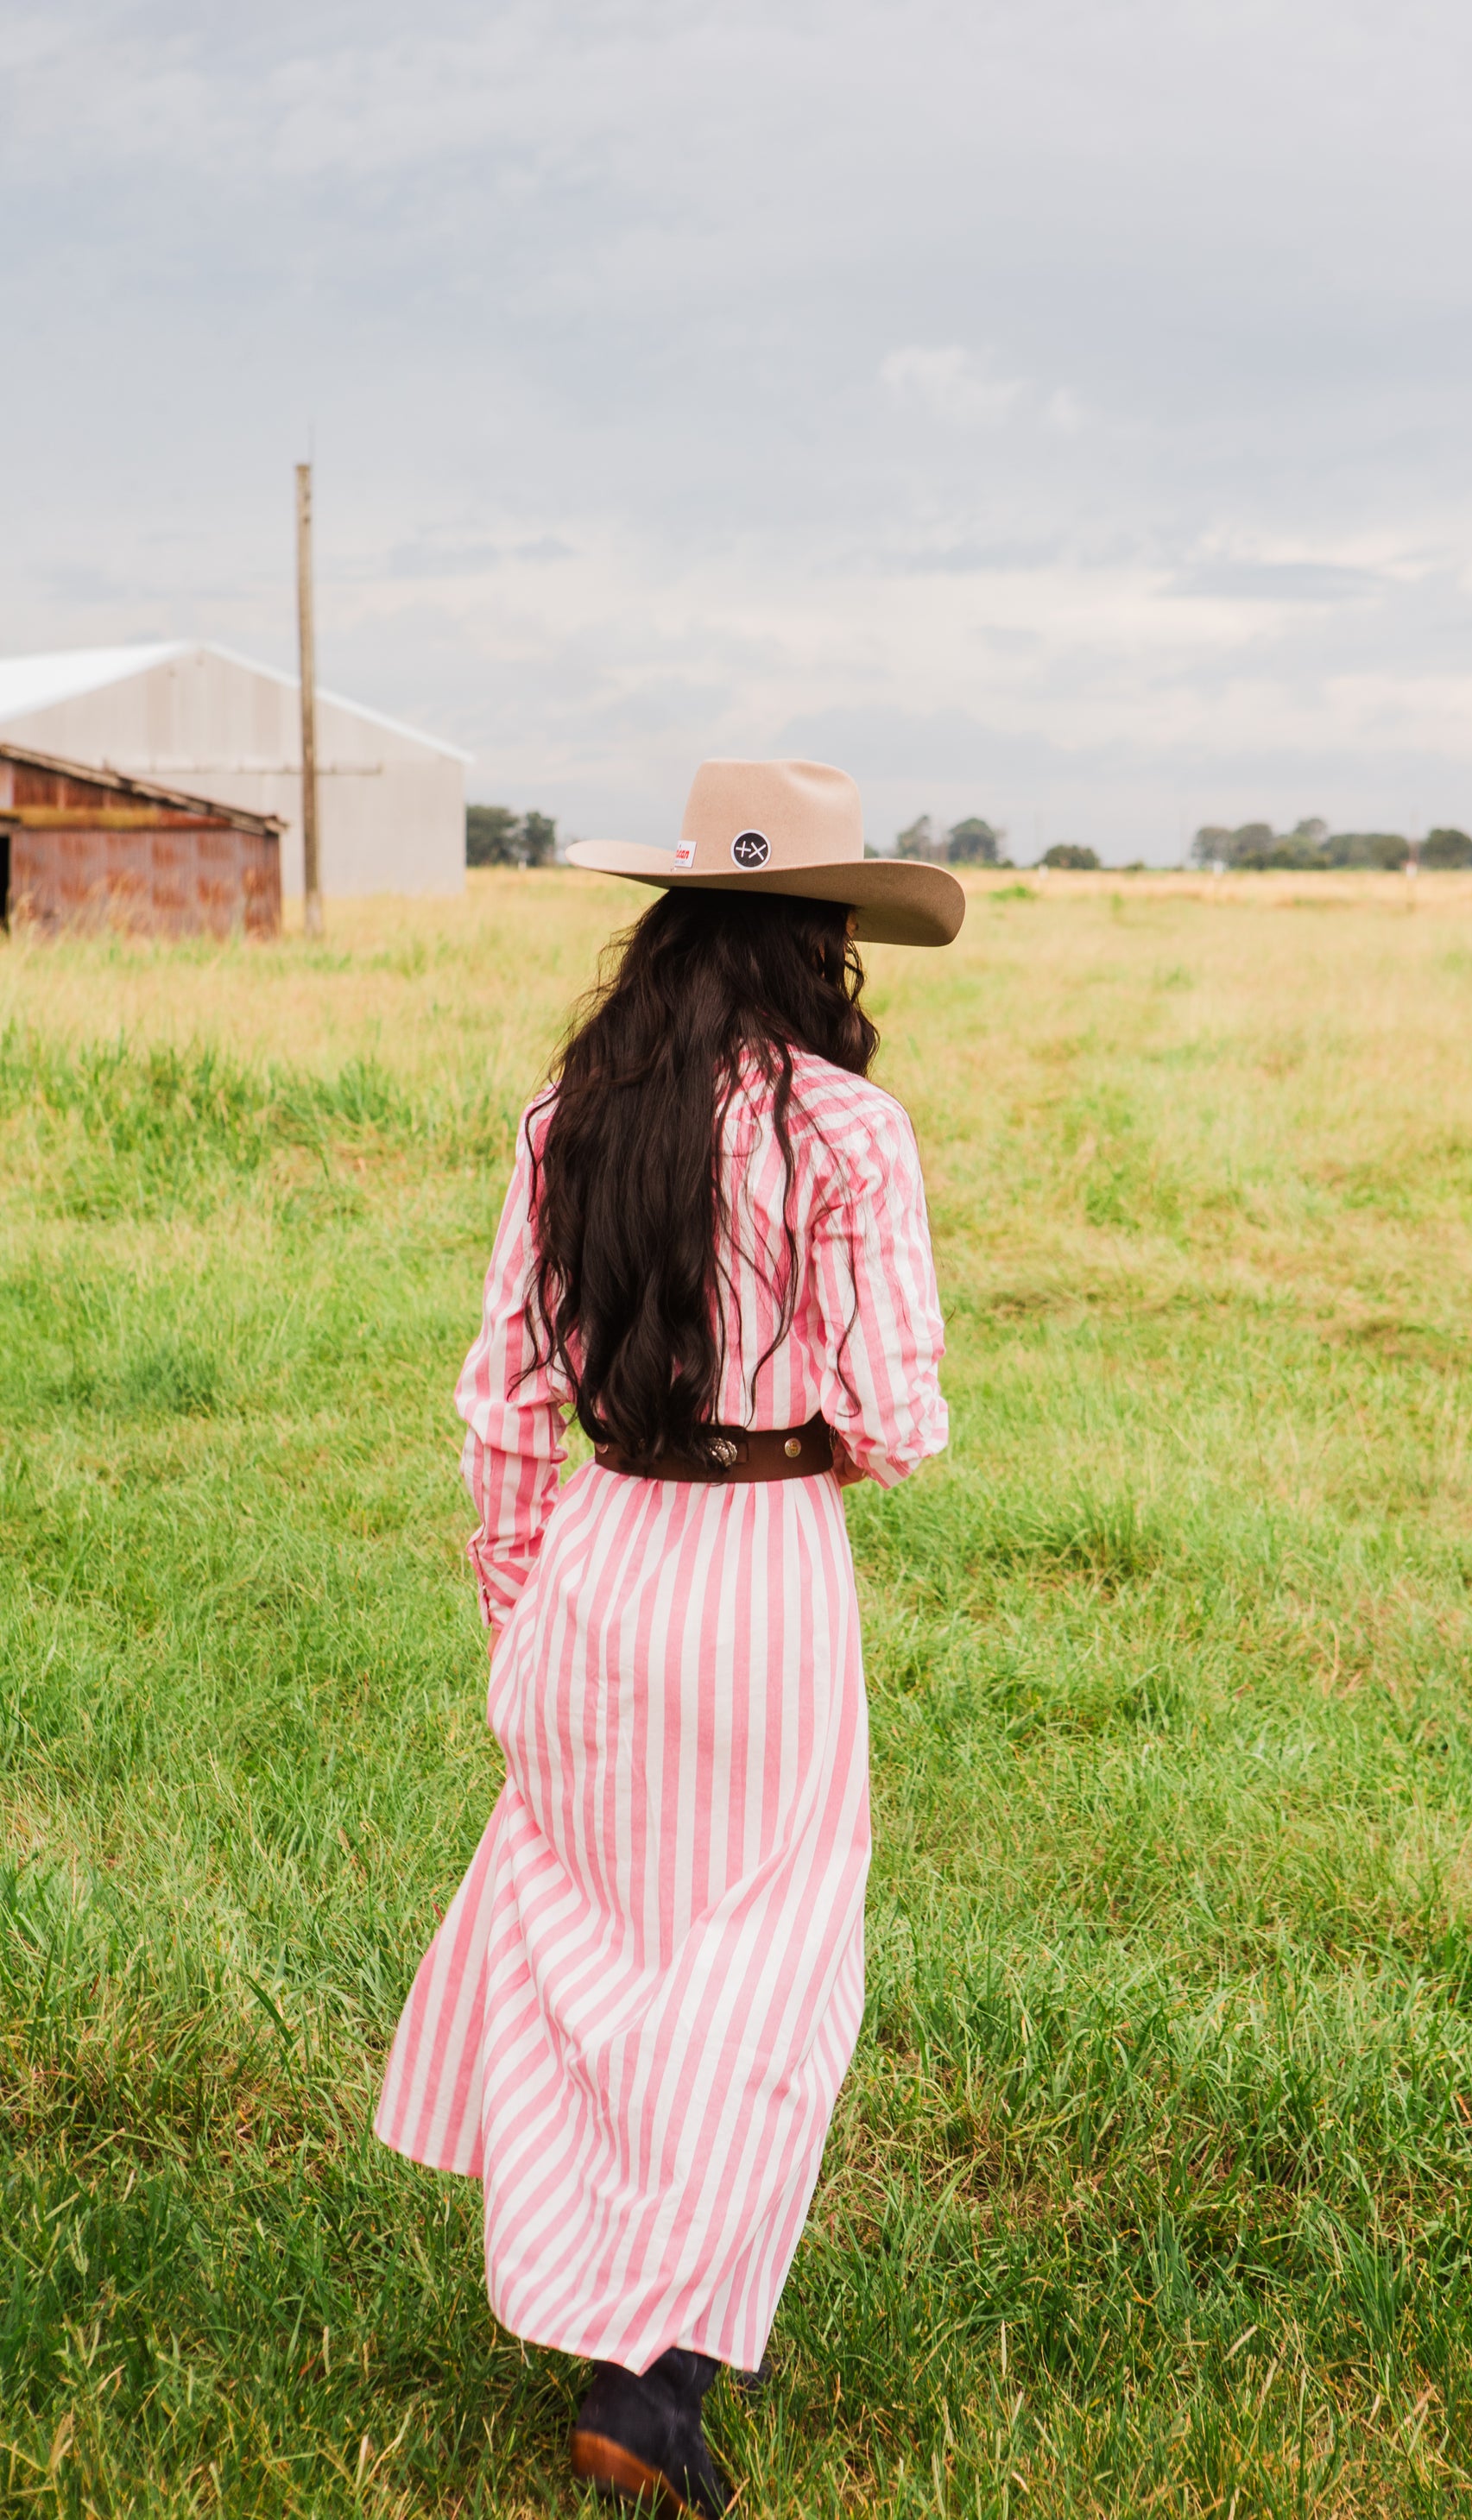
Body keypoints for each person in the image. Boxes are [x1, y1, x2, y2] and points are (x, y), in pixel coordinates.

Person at [376, 761, 964, 2513]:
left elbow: (503, 1398)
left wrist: (519, 1614)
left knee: (590, 1951)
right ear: (814, 938)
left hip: (594, 1554)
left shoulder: (575, 1114)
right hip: (758, 1567)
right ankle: (651, 2378)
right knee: (763, 1969)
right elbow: (895, 1418)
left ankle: (599, 2317)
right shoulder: (844, 1132)